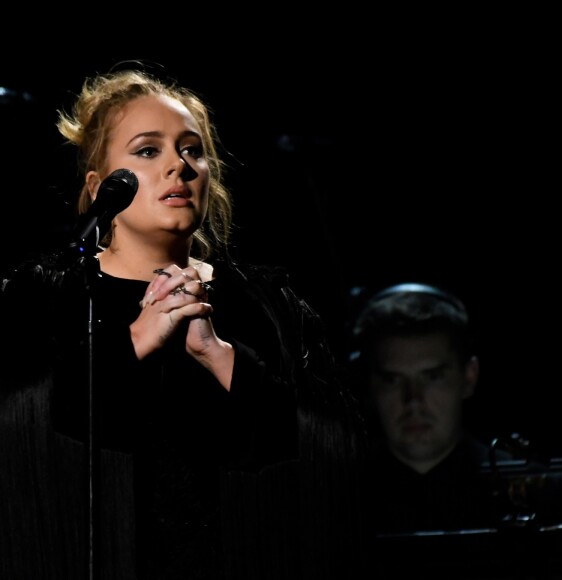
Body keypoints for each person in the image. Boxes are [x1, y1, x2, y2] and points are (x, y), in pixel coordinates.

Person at [0, 66, 365, 580]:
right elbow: (16, 438)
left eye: (193, 150)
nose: (180, 165)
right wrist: (130, 343)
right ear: (100, 185)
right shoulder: (45, 296)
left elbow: (340, 448)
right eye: (149, 151)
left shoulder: (267, 304)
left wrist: (222, 357)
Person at [350, 283, 562, 553]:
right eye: (392, 379)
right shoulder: (337, 497)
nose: (413, 401)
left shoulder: (542, 493)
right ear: (370, 385)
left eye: (432, 376)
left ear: (468, 377)